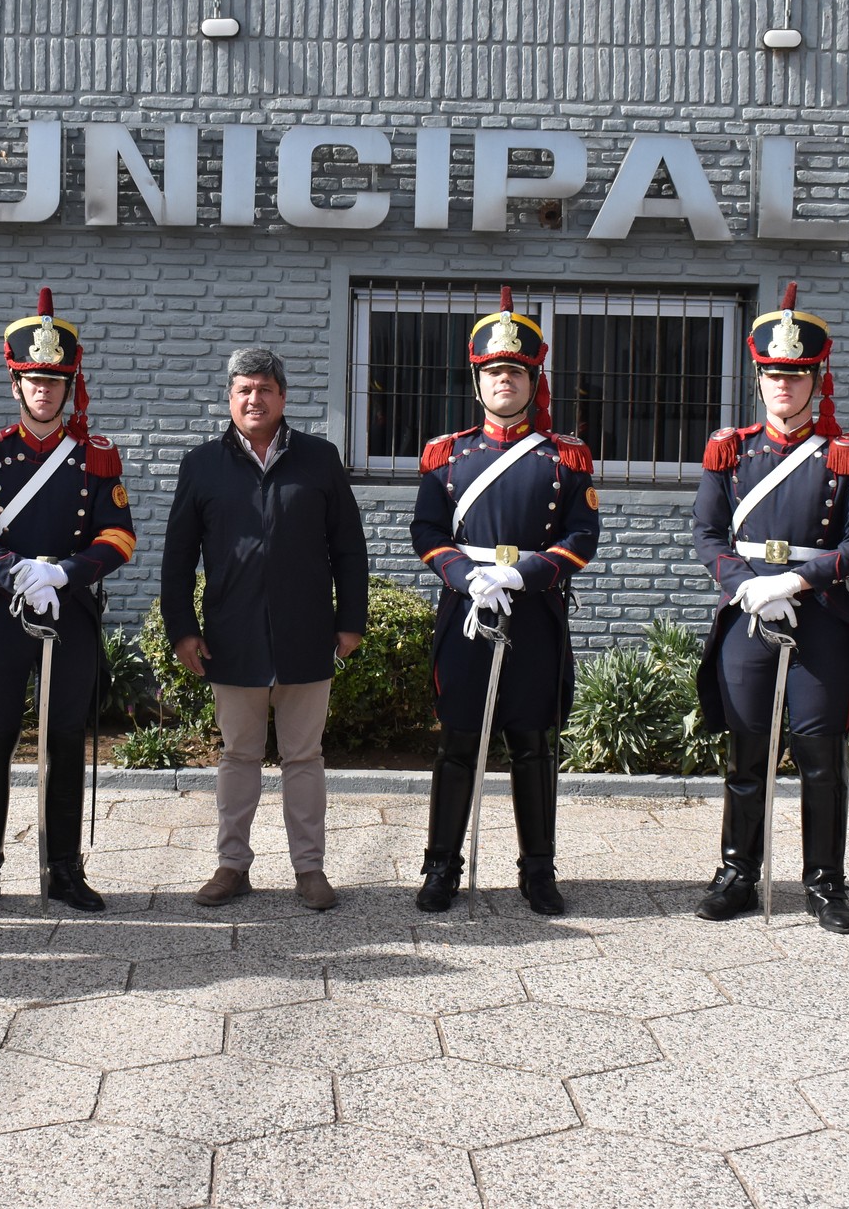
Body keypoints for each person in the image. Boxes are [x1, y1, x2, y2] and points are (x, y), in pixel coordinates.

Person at [690, 283, 849, 934]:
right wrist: (745, 583)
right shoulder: (730, 451)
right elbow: (707, 533)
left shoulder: (845, 455)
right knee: (747, 753)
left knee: (821, 754)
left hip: (818, 617)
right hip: (747, 613)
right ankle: (738, 872)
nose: (784, 386)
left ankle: (825, 883)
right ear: (759, 376)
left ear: (815, 379)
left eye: (796, 376)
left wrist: (794, 582)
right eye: (774, 374)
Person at [0, 287, 136, 914]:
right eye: (33, 379)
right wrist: (11, 569)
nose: (44, 390)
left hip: (69, 610)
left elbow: (119, 535)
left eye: (55, 380)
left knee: (65, 737)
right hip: (2, 610)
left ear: (70, 384)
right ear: (16, 384)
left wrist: (66, 573)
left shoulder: (96, 457)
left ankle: (63, 867)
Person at [410, 288, 597, 915]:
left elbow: (581, 538)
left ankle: (537, 870)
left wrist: (524, 575)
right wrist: (467, 577)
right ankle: (441, 866)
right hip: (467, 612)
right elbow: (427, 533)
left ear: (532, 379)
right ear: (478, 379)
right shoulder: (446, 454)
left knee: (532, 743)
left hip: (534, 613)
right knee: (459, 742)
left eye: (515, 372)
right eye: (494, 372)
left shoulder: (564, 457)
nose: (504, 382)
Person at [161, 347, 368, 911]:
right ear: (230, 399)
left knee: (305, 757)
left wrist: (351, 620)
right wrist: (182, 627)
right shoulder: (202, 465)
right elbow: (178, 556)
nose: (255, 399)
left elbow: (349, 547)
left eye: (265, 389)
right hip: (232, 634)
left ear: (283, 396)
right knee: (237, 756)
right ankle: (232, 866)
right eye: (243, 390)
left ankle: (310, 869)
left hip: (307, 633)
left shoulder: (320, 460)